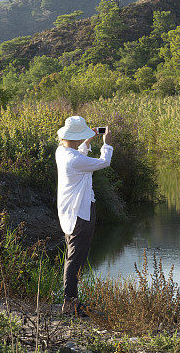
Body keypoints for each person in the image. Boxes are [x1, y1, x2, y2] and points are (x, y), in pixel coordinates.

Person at [55, 115, 112, 315]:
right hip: (81, 212)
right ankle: (70, 304)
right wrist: (106, 144)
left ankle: (71, 301)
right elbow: (104, 162)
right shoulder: (75, 160)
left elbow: (79, 156)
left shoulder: (62, 152)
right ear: (77, 136)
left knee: (73, 255)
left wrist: (87, 141)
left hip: (70, 210)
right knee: (75, 258)